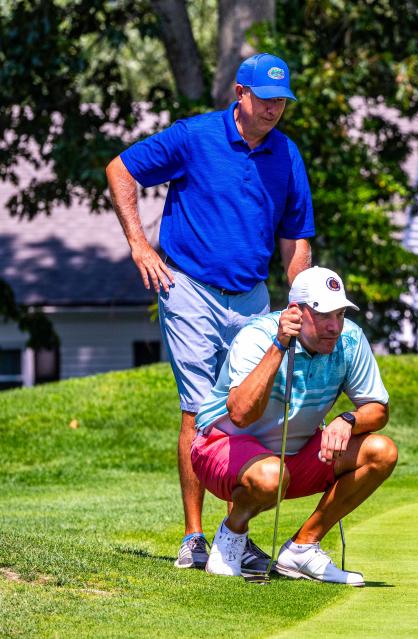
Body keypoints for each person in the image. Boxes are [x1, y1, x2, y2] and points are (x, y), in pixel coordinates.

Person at [105, 53, 314, 571]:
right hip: (189, 288)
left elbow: (296, 240)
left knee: (248, 410)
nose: (273, 110)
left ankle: (232, 537)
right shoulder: (196, 136)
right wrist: (139, 245)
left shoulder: (286, 156)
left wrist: (302, 294)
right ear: (240, 93)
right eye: (265, 100)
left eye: (281, 102)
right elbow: (120, 168)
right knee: (199, 410)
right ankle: (194, 537)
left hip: (251, 298)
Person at [191, 266, 397, 585]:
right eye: (324, 315)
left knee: (381, 451)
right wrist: (279, 345)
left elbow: (378, 410)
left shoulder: (351, 339)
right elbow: (241, 414)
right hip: (221, 449)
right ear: (295, 313)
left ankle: (302, 547)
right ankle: (232, 534)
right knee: (272, 474)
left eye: (340, 314)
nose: (334, 326)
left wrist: (348, 420)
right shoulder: (257, 337)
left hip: (293, 456)